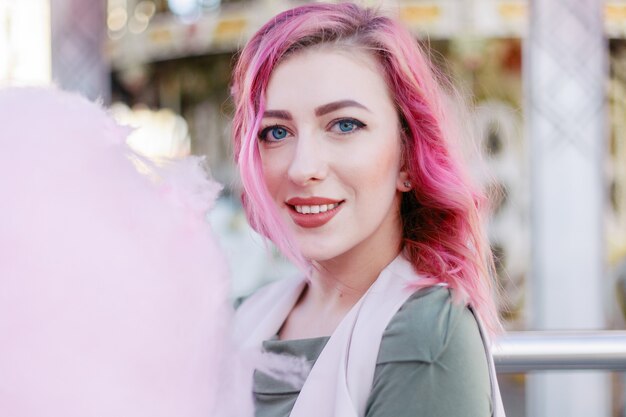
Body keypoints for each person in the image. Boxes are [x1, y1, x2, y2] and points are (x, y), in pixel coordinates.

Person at [230, 3, 506, 417]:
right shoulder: (248, 313)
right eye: (276, 132)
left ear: (408, 158)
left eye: (344, 125)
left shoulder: (427, 331)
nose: (303, 167)